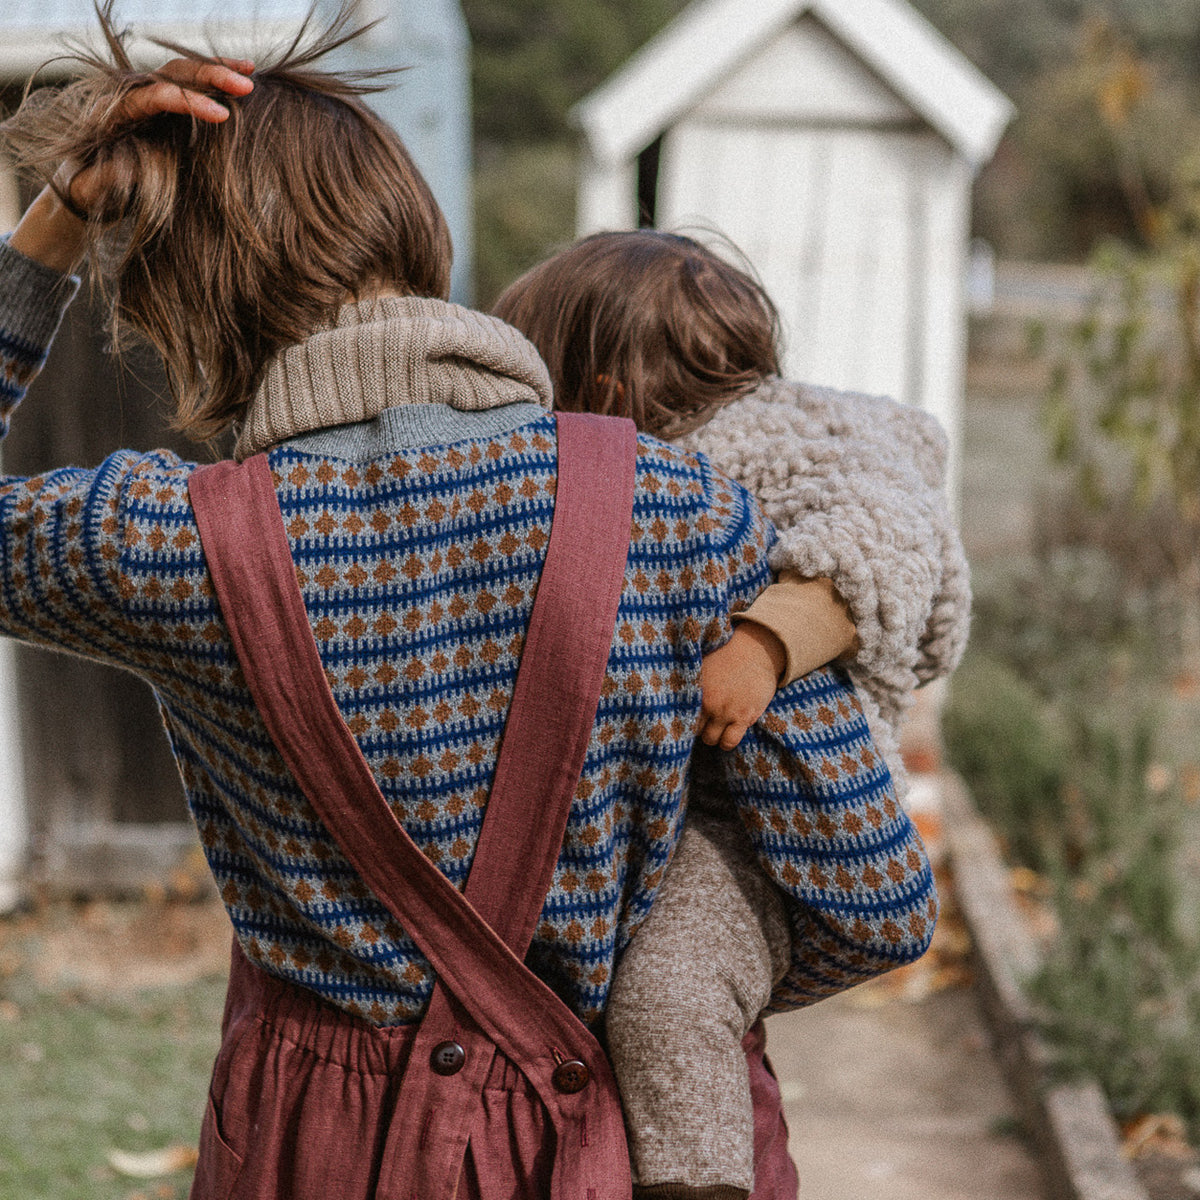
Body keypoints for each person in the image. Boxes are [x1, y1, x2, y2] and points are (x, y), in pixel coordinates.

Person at [0, 11, 936, 1199]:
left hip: (314, 1144)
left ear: (191, 304)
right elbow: (874, 898)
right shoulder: (681, 513)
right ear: (412, 231)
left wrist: (53, 224)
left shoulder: (163, 544)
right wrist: (649, 992)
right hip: (623, 1142)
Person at [493, 229, 970, 1198]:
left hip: (763, 828)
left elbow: (888, 539)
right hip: (678, 803)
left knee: (668, 996)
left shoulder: (802, 434)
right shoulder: (641, 474)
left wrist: (765, 642)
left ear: (606, 395)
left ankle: (701, 1182)